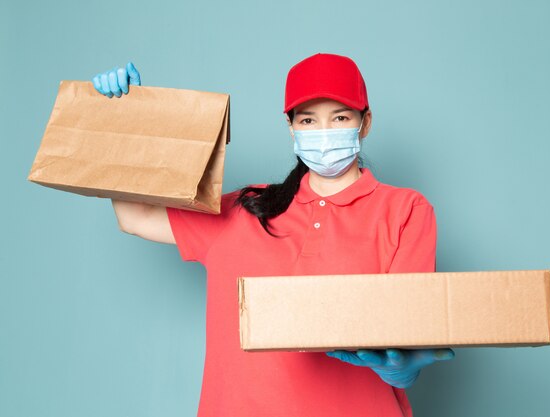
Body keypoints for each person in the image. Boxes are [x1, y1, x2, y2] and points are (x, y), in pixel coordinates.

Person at [92, 53, 455, 417]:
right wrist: (121, 120)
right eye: (309, 119)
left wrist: (403, 368)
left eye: (340, 117)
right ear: (291, 127)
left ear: (365, 122)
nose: (324, 132)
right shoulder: (245, 209)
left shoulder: (405, 210)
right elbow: (135, 216)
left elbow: (409, 329)